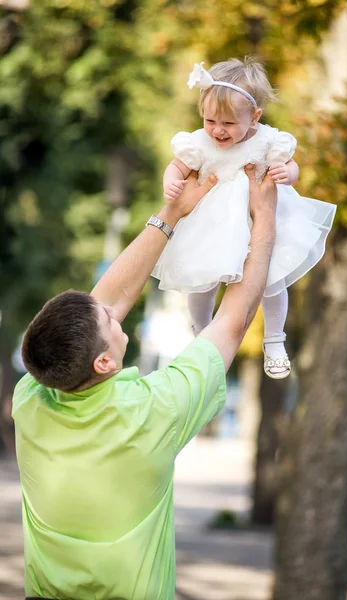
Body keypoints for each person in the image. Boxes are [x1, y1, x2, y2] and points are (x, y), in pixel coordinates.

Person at [12, 165, 277, 600]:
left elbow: (106, 303)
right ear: (102, 363)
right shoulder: (155, 411)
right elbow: (232, 320)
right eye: (109, 322)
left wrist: (173, 211)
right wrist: (264, 217)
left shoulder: (31, 398)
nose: (115, 313)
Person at [153, 57, 337, 379]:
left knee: (273, 281)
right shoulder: (199, 142)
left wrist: (287, 173)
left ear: (254, 117)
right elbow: (177, 166)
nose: (217, 131)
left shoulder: (268, 141)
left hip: (261, 225)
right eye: (211, 120)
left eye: (228, 123)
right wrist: (171, 180)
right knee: (202, 285)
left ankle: (275, 339)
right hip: (213, 227)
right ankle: (202, 335)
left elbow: (292, 165)